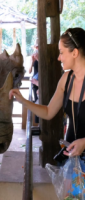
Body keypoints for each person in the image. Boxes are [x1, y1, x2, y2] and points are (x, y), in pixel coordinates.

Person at [9, 27, 85, 158]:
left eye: (61, 52)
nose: (59, 58)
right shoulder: (66, 80)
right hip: (74, 159)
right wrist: (23, 101)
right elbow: (49, 112)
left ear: (75, 53)